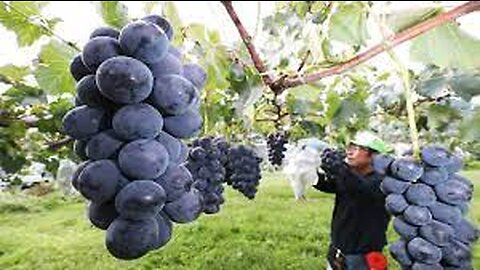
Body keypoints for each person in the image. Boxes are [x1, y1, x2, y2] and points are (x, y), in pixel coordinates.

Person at [312, 131, 392, 270]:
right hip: (338, 250)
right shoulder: (350, 177)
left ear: (374, 155)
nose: (349, 152)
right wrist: (310, 174)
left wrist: (340, 168)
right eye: (348, 148)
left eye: (356, 148)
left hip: (364, 257)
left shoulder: (383, 182)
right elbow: (331, 185)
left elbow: (361, 188)